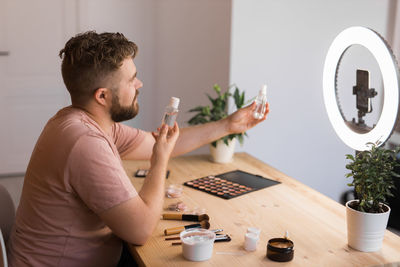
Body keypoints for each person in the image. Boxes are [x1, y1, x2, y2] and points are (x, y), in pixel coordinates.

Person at [7, 31, 269, 267]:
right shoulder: (84, 142)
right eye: (131, 80)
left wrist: (228, 125)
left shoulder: (81, 121)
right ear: (102, 96)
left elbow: (156, 142)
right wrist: (159, 162)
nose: (139, 84)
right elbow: (141, 229)